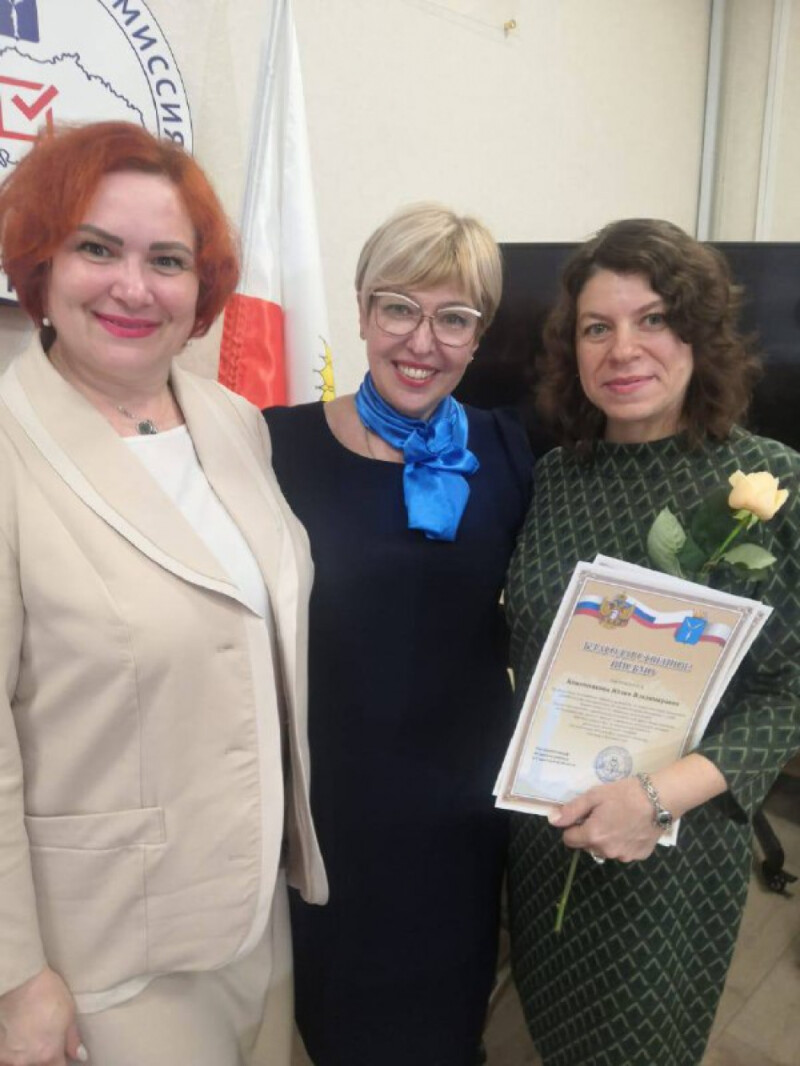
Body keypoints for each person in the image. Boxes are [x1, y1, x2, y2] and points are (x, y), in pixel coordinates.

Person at [0, 121, 327, 1066]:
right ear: (43, 263)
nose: (134, 287)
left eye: (168, 260)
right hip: (103, 960)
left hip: (254, 920)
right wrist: (15, 980)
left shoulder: (233, 421)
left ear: (202, 284)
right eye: (97, 248)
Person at [506, 218, 800, 1066]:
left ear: (699, 335)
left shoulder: (769, 483)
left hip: (674, 847)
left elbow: (790, 692)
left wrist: (658, 800)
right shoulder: (556, 479)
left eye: (655, 319)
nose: (623, 349)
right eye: (597, 327)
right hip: (549, 827)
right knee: (552, 1027)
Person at [263, 203, 532, 1066]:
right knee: (339, 1024)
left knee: (448, 1024)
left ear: (479, 336)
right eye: (399, 308)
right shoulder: (275, 446)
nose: (422, 341)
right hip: (331, 804)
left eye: (454, 318)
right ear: (361, 310)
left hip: (461, 808)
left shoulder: (511, 450)